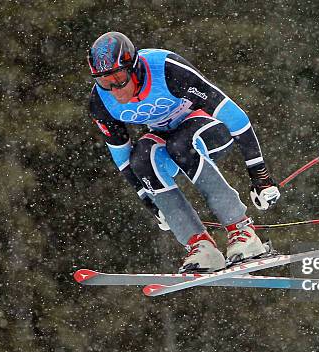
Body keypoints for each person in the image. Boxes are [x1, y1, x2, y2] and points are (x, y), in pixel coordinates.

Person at [88, 31, 280, 272]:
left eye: (118, 77)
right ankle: (200, 245)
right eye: (105, 82)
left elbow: (236, 118)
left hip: (209, 129)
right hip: (168, 135)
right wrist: (147, 200)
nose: (115, 89)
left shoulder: (166, 69)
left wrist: (260, 175)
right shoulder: (101, 102)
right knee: (142, 158)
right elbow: (122, 159)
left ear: (134, 67)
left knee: (180, 145)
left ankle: (243, 232)